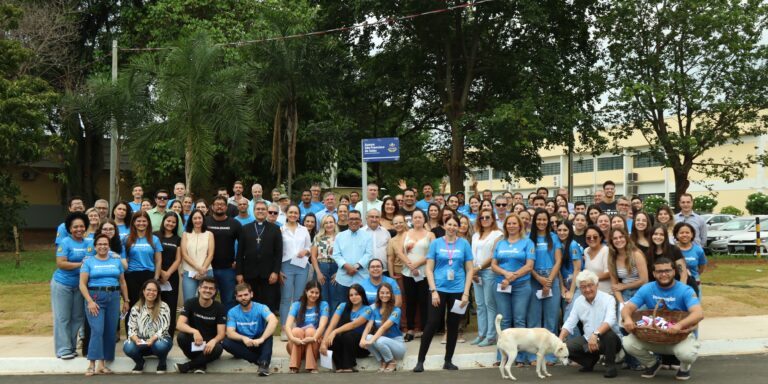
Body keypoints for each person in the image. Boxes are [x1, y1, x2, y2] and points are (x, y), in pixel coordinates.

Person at [621, 258, 704, 380]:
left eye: (667, 271)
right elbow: (627, 308)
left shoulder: (685, 290)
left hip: (678, 338)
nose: (664, 274)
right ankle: (653, 364)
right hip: (654, 338)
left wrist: (679, 325)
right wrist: (627, 319)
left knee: (687, 354)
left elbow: (698, 314)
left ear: (674, 272)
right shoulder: (647, 289)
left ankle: (684, 368)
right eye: (659, 271)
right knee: (627, 342)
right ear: (654, 274)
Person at [413, 215, 474, 372]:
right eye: (449, 224)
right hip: (438, 290)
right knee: (432, 323)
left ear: (459, 227)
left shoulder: (464, 244)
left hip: (458, 290)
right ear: (444, 225)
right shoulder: (436, 243)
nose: (452, 227)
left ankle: (448, 360)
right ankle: (420, 361)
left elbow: (469, 269)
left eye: (455, 225)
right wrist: (433, 290)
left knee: (453, 325)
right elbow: (428, 268)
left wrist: (466, 294)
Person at [79, 233, 129, 375]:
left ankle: (102, 365)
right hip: (95, 297)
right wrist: (89, 301)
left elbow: (122, 282)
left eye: (105, 244)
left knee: (110, 331)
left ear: (109, 246)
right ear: (95, 246)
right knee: (97, 330)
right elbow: (82, 284)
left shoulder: (116, 260)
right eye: (99, 244)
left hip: (113, 297)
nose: (102, 246)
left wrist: (126, 300)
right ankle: (91, 364)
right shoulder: (88, 261)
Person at [559, 270, 622, 378]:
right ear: (580, 288)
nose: (587, 289)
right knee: (565, 347)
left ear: (597, 285)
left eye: (590, 285)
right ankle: (589, 361)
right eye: (583, 287)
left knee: (609, 335)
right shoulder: (578, 301)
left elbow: (610, 320)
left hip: (608, 341)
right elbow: (570, 322)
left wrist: (596, 334)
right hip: (588, 339)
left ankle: (610, 367)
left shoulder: (608, 298)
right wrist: (559, 340)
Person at [491, 214, 535, 366]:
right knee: (504, 321)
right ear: (505, 226)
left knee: (519, 321)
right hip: (501, 285)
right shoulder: (500, 243)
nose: (511, 226)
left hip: (521, 286)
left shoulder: (527, 242)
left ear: (520, 225)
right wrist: (505, 275)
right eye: (508, 223)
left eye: (514, 223)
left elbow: (529, 266)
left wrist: (511, 278)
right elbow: (493, 265)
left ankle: (520, 358)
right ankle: (502, 356)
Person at [526, 209, 562, 364]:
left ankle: (549, 355)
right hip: (534, 279)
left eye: (544, 219)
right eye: (538, 219)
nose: (541, 222)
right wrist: (539, 279)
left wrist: (549, 281)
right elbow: (527, 263)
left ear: (548, 221)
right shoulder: (529, 238)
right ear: (535, 221)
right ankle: (534, 356)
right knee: (534, 320)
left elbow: (558, 260)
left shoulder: (554, 237)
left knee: (551, 320)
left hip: (551, 278)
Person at [236, 201, 283, 313]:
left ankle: (268, 328)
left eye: (263, 209)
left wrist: (275, 272)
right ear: (253, 211)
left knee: (268, 302)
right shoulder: (245, 228)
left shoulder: (275, 229)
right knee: (251, 301)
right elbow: (240, 252)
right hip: (249, 272)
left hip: (268, 273)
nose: (260, 211)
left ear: (267, 212)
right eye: (258, 209)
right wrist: (239, 273)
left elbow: (278, 253)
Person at [222, 283, 278, 376]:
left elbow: (274, 320)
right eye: (240, 295)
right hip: (243, 344)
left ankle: (264, 364)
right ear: (236, 297)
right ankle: (259, 361)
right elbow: (230, 332)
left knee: (268, 334)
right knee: (226, 342)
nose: (243, 298)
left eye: (246, 294)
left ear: (251, 294)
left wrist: (262, 339)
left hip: (258, 342)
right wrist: (243, 338)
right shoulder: (232, 312)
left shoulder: (261, 307)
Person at [175, 277, 226, 374]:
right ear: (199, 288)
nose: (207, 290)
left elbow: (221, 333)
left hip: (209, 346)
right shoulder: (190, 303)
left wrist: (214, 341)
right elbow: (179, 324)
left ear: (215, 291)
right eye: (205, 287)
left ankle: (187, 366)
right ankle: (200, 362)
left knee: (219, 348)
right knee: (181, 337)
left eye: (211, 288)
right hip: (194, 343)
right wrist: (195, 331)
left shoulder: (219, 307)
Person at [122, 211, 163, 331]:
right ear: (133, 223)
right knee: (133, 306)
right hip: (132, 276)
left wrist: (155, 279)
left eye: (144, 221)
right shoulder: (126, 239)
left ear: (148, 223)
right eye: (138, 221)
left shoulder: (154, 239)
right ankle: (132, 334)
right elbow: (123, 259)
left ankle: (148, 334)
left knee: (149, 306)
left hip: (149, 276)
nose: (141, 223)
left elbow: (158, 261)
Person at [123, 279, 172, 374]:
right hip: (142, 341)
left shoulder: (164, 306)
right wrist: (136, 339)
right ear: (143, 291)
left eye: (154, 290)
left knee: (160, 345)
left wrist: (153, 339)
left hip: (159, 340)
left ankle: (162, 361)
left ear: (158, 293)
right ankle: (140, 362)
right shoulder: (136, 308)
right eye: (149, 290)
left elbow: (165, 327)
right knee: (128, 347)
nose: (151, 292)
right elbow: (131, 328)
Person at [320, 284, 372, 372]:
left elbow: (354, 325)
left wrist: (335, 331)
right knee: (333, 338)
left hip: (360, 345)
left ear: (362, 295)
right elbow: (332, 325)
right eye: (351, 295)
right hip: (344, 341)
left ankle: (348, 366)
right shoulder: (343, 306)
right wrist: (324, 343)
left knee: (347, 336)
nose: (354, 297)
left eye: (356, 294)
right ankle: (339, 366)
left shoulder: (367, 309)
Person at [400, 209, 433, 341]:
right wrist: (409, 264)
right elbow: (400, 252)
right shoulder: (405, 234)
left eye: (420, 217)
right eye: (415, 217)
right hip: (408, 273)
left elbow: (431, 254)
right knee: (410, 302)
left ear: (424, 219)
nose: (417, 219)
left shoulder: (430, 235)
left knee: (424, 301)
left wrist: (417, 264)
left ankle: (425, 329)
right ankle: (410, 329)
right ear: (411, 220)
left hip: (424, 273)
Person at [470, 208, 502, 347]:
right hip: (476, 273)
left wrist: (479, 268)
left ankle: (491, 336)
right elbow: (472, 254)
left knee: (490, 305)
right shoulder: (476, 235)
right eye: (482, 218)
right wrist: (474, 271)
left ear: (493, 218)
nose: (484, 220)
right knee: (480, 305)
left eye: (487, 217)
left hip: (489, 271)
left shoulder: (498, 234)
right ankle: (481, 334)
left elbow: (494, 255)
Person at [280, 205, 313, 336]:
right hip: (286, 265)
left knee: (299, 298)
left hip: (301, 266)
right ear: (286, 214)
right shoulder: (280, 229)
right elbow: (277, 251)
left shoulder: (304, 229)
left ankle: (298, 328)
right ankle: (284, 328)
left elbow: (309, 247)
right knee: (286, 298)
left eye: (296, 213)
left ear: (299, 215)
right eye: (291, 212)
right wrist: (278, 269)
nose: (293, 214)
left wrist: (306, 251)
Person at [285, 281, 330, 373]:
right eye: (311, 292)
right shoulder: (296, 305)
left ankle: (311, 366)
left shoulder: (323, 304)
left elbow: (322, 326)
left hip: (314, 342)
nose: (314, 295)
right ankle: (294, 366)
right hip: (297, 343)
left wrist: (313, 338)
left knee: (310, 331)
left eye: (317, 293)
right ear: (306, 291)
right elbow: (287, 325)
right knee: (296, 330)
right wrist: (293, 339)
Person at [205, 196, 241, 310]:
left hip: (228, 269)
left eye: (222, 204)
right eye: (217, 204)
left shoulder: (234, 223)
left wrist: (237, 260)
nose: (219, 206)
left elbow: (243, 245)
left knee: (229, 300)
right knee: (207, 298)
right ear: (212, 206)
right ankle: (209, 325)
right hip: (208, 268)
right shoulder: (205, 222)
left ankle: (228, 326)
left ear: (226, 207)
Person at [332, 210, 373, 309]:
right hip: (343, 278)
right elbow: (336, 255)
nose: (353, 221)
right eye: (351, 219)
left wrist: (355, 267)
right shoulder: (339, 236)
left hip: (361, 278)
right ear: (347, 220)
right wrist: (347, 267)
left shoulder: (367, 236)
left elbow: (369, 254)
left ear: (360, 221)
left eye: (356, 219)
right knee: (343, 307)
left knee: (362, 306)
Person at [360, 283, 405, 373]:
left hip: (397, 346)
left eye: (387, 293)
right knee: (368, 337)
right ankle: (382, 361)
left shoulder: (396, 310)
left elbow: (384, 327)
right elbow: (369, 326)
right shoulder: (375, 309)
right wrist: (362, 340)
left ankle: (391, 361)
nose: (385, 295)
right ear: (378, 294)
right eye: (382, 293)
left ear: (391, 294)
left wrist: (371, 341)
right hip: (382, 344)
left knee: (377, 340)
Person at [155, 212, 181, 337]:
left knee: (170, 306)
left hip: (171, 277)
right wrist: (160, 272)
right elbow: (151, 255)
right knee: (155, 304)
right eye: (168, 221)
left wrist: (168, 273)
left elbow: (178, 259)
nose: (170, 223)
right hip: (155, 275)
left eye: (173, 222)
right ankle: (153, 332)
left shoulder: (178, 239)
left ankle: (168, 334)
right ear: (163, 221)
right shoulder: (155, 236)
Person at [180, 209, 214, 302]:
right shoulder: (185, 234)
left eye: (199, 218)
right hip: (189, 272)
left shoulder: (209, 234)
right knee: (189, 301)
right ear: (191, 220)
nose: (197, 220)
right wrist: (198, 268)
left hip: (206, 271)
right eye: (195, 218)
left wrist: (203, 270)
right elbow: (184, 254)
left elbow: (210, 254)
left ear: (203, 219)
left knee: (206, 301)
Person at [608, 228, 648, 305]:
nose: (619, 240)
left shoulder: (636, 254)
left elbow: (644, 280)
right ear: (611, 242)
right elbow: (615, 286)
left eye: (621, 237)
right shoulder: (612, 258)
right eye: (615, 238)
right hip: (624, 294)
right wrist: (622, 303)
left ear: (626, 238)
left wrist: (625, 286)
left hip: (640, 291)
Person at [556, 220, 584, 327]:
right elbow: (558, 267)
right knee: (567, 317)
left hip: (575, 286)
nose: (562, 232)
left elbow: (577, 269)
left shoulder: (573, 245)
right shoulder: (558, 245)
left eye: (565, 230)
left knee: (569, 318)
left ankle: (572, 343)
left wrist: (572, 292)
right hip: (564, 286)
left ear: (570, 231)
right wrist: (562, 287)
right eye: (559, 230)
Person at [311, 214, 339, 309]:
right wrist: (318, 273)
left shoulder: (340, 237)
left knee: (335, 296)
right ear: (323, 225)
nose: (329, 224)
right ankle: (322, 321)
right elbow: (313, 257)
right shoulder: (318, 237)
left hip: (336, 267)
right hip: (321, 266)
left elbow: (345, 256)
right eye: (326, 223)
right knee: (322, 296)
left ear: (335, 223)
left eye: (331, 222)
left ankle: (333, 322)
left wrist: (339, 273)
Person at [674, 222, 707, 291]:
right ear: (676, 235)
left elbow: (702, 267)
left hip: (694, 283)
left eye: (687, 232)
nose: (684, 235)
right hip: (676, 284)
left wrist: (693, 276)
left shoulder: (698, 250)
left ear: (692, 234)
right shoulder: (672, 250)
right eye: (681, 233)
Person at [583, 225, 612, 294]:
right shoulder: (586, 251)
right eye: (588, 237)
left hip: (605, 292)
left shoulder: (606, 250)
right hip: (590, 292)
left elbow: (608, 273)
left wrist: (589, 278)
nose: (592, 239)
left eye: (595, 237)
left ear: (600, 238)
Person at [364, 208, 392, 275]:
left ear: (380, 219)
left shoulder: (385, 232)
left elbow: (390, 253)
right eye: (372, 217)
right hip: (365, 271)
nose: (374, 219)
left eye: (377, 217)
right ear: (366, 218)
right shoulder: (360, 232)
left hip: (383, 270)